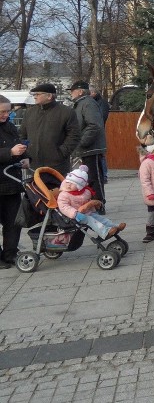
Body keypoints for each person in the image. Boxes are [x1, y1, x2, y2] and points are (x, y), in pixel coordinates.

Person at [17, 83, 80, 175]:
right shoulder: (29, 112)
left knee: (56, 189)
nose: (35, 97)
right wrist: (25, 154)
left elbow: (74, 136)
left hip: (57, 165)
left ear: (49, 96)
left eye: (38, 94)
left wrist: (60, 153)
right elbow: (22, 135)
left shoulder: (66, 112)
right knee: (35, 189)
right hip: (33, 165)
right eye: (34, 94)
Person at [56, 165, 125, 240]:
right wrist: (74, 213)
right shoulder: (64, 195)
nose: (68, 185)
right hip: (75, 216)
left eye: (72, 183)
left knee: (100, 218)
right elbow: (64, 207)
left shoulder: (85, 192)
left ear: (80, 186)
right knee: (92, 221)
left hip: (86, 212)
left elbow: (87, 202)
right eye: (67, 182)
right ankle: (105, 232)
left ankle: (114, 226)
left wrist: (93, 207)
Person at [0, 95, 28, 267]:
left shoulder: (10, 126)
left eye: (8, 111)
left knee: (14, 222)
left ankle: (10, 254)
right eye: (2, 111)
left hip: (11, 182)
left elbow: (18, 146)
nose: (6, 115)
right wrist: (9, 152)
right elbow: (11, 150)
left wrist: (25, 158)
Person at [69, 81, 107, 209]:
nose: (71, 93)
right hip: (85, 148)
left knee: (94, 178)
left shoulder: (88, 104)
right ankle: (91, 203)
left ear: (80, 91)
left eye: (72, 90)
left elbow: (94, 125)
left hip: (91, 148)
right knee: (86, 178)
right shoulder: (81, 104)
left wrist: (82, 142)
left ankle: (99, 204)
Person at [89, 86, 110, 184]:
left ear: (93, 93)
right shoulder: (93, 103)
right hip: (96, 130)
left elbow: (102, 117)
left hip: (99, 131)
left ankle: (104, 175)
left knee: (101, 155)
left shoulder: (101, 103)